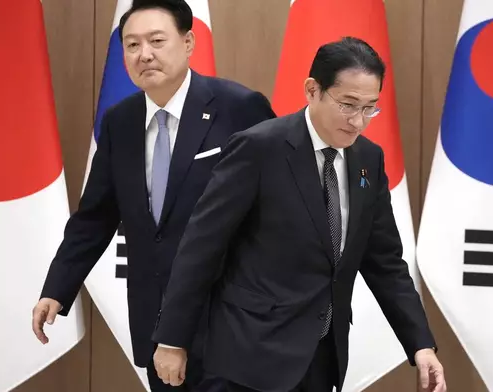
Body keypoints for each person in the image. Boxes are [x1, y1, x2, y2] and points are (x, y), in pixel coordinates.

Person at [150, 37, 446, 392]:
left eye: (370, 108)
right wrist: (172, 339)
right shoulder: (259, 148)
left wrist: (420, 344)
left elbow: (385, 262)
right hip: (248, 356)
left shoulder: (368, 159)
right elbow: (201, 247)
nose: (358, 121)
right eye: (348, 105)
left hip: (322, 357)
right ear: (312, 90)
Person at [31, 1, 275, 390]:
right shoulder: (120, 122)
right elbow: (95, 217)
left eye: (157, 40)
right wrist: (57, 289)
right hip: (155, 325)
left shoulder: (239, 109)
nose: (144, 54)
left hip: (232, 324)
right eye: (131, 45)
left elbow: (279, 208)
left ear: (189, 42)